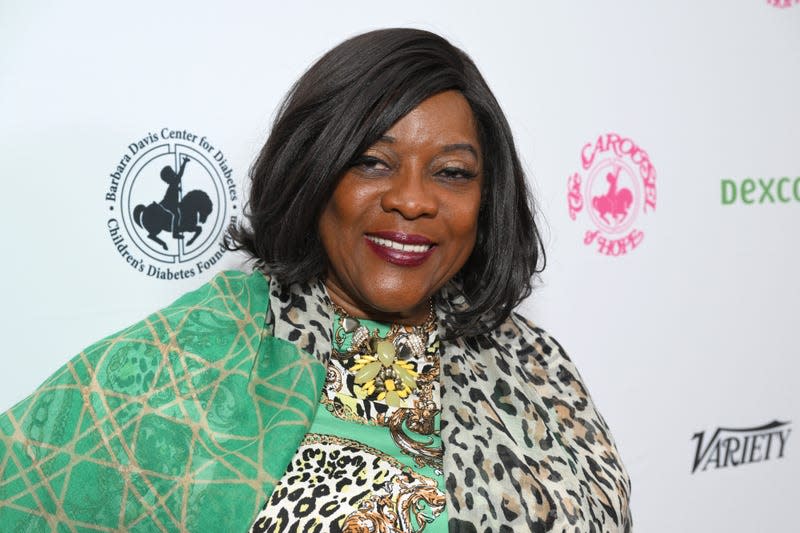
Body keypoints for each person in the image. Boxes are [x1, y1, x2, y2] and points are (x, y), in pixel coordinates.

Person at [0, 28, 631, 532]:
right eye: (373, 163)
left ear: (487, 198)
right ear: (314, 173)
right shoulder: (198, 356)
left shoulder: (534, 363)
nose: (412, 201)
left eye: (452, 173)